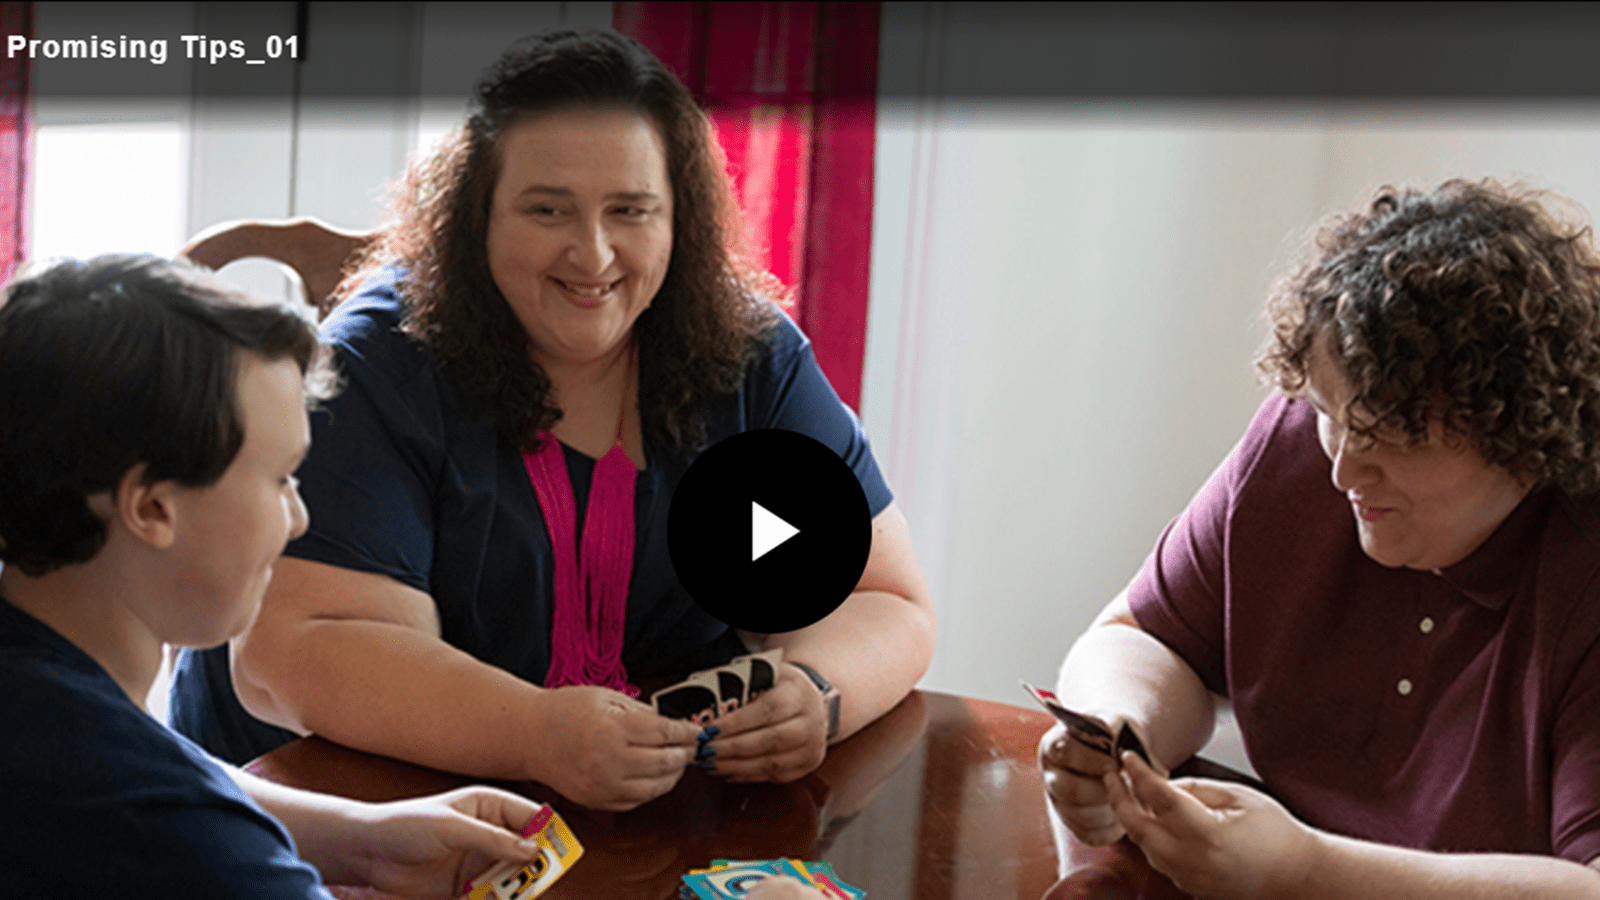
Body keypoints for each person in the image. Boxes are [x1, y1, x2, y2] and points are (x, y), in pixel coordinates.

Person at [170, 27, 935, 812]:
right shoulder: (375, 364)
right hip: (332, 823)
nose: (593, 254)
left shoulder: (753, 357)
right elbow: (297, 651)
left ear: (682, 221)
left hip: (632, 825)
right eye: (548, 210)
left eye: (631, 210)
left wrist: (815, 691)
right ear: (476, 217)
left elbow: (885, 601)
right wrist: (534, 731)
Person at [1039, 180, 1600, 899]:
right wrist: (1117, 733)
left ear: (1517, 433)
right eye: (1333, 414)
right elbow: (1142, 636)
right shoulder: (1298, 445)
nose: (1341, 469)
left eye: (1389, 436)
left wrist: (1307, 870)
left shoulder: (1582, 572)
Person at [0, 256, 547, 897]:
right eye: (281, 479)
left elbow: (149, 765)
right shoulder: (183, 843)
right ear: (151, 508)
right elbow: (160, 810)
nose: (298, 518)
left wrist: (361, 840)